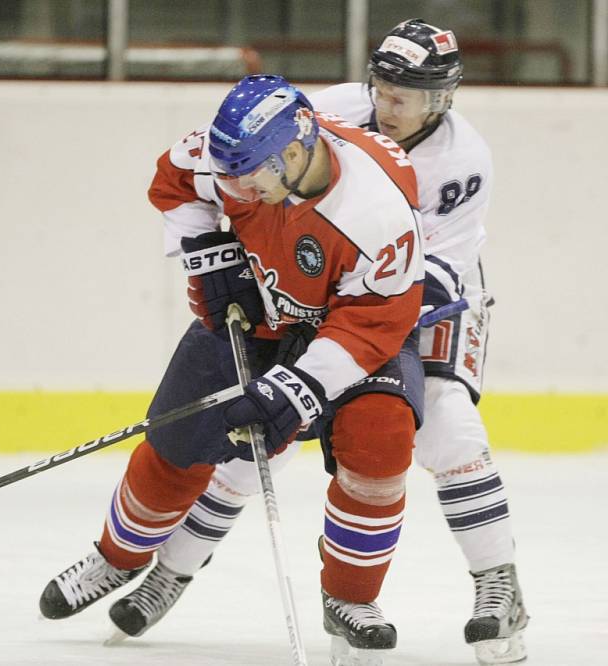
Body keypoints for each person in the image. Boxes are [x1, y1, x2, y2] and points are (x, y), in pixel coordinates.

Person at [107, 19, 529, 666]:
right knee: (259, 442)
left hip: (425, 294)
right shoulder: (329, 112)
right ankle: (174, 568)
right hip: (331, 290)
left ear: (440, 99)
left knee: (445, 425)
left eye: (402, 97)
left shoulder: (463, 160)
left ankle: (499, 581)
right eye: (380, 87)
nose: (384, 106)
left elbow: (427, 275)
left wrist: (332, 341)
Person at [38, 74, 426, 665]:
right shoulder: (239, 154)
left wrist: (297, 388)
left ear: (296, 150)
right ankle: (119, 557)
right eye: (232, 176)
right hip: (260, 313)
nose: (239, 189)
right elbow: (174, 180)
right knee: (175, 440)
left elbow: (375, 320)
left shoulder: (376, 209)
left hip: (358, 328)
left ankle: (352, 598)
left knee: (381, 441)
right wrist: (209, 256)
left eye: (254, 177)